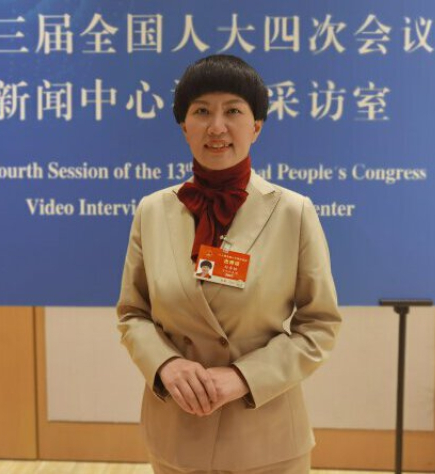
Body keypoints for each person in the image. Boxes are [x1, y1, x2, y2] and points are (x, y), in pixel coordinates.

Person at [116, 54, 342, 474]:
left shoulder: (293, 212)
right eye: (201, 111)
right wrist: (166, 365)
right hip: (177, 431)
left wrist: (243, 377)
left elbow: (319, 325)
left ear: (256, 126)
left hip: (267, 436)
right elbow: (133, 314)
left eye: (233, 111)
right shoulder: (152, 211)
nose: (217, 127)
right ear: (184, 126)